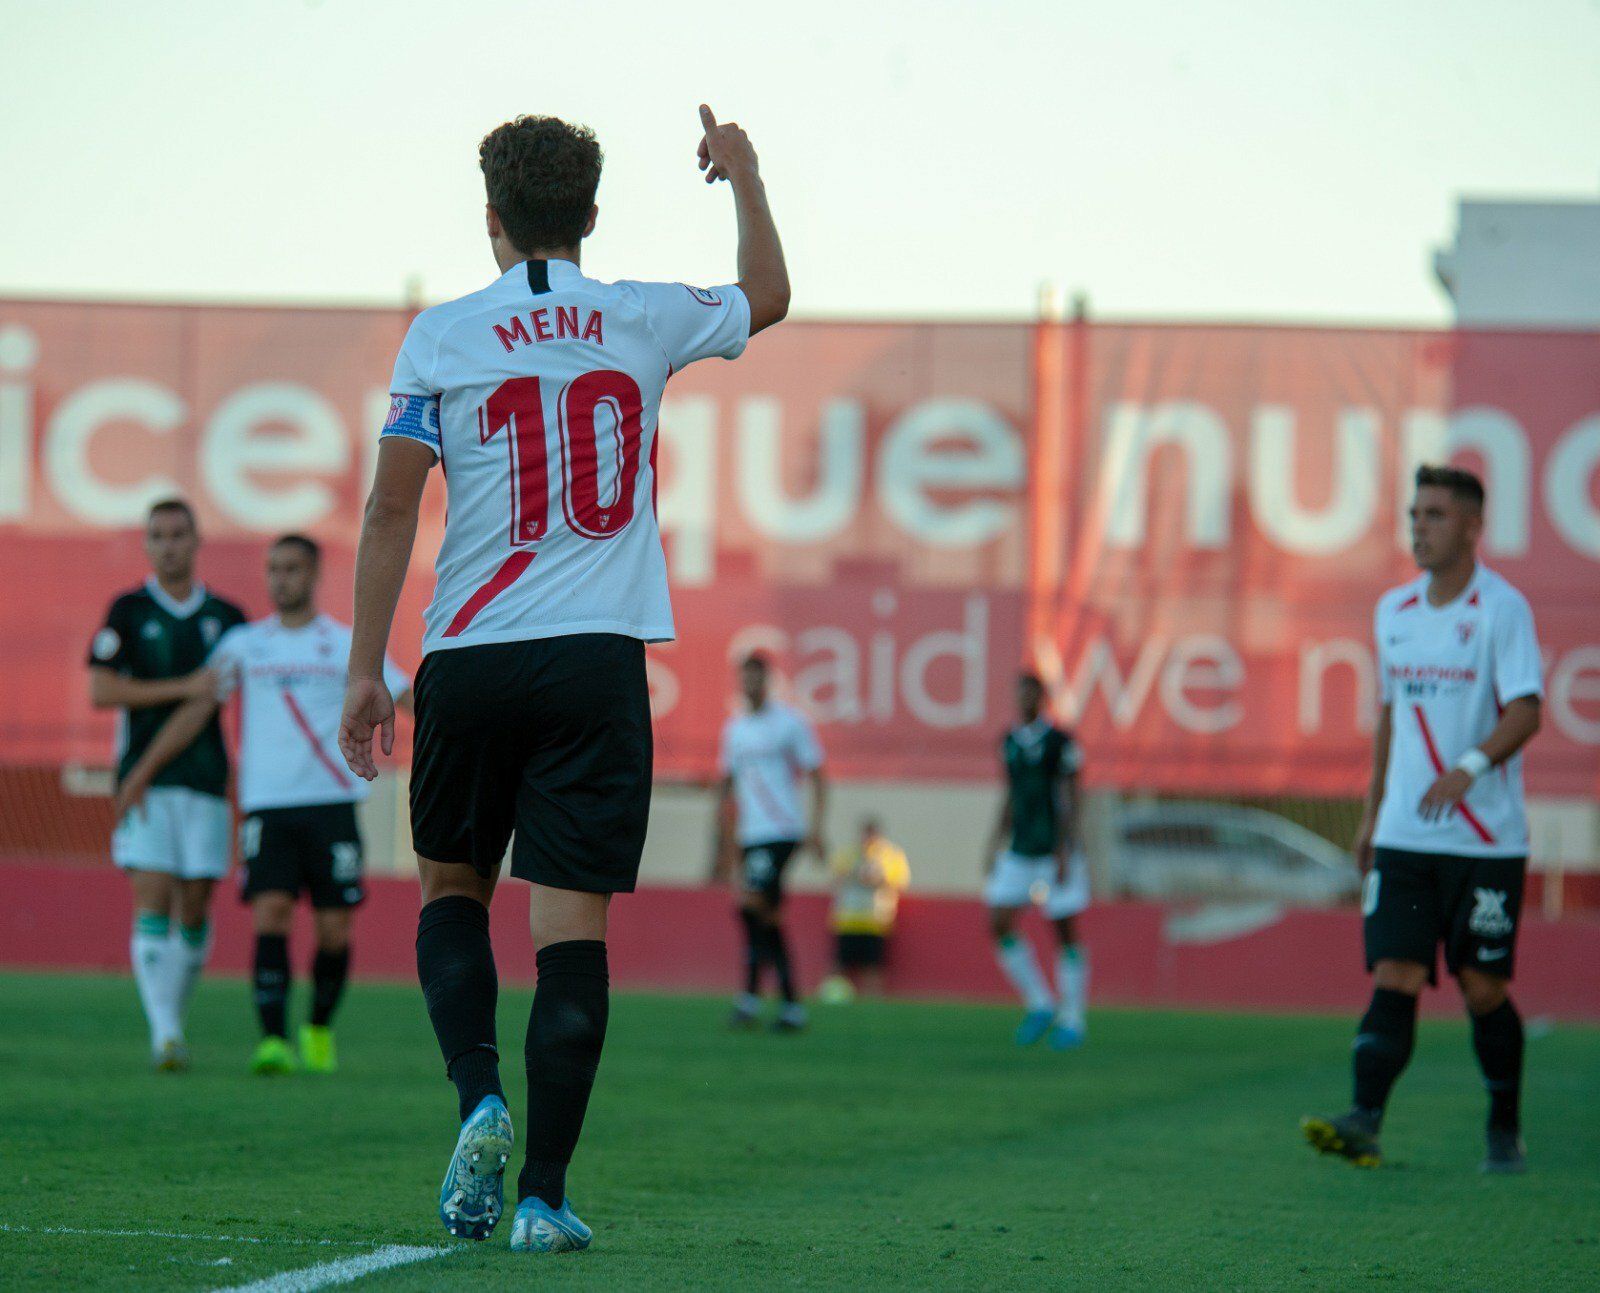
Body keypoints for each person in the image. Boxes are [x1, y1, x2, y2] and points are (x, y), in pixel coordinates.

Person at [337, 107, 788, 1253]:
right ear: (589, 213)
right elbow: (768, 296)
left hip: (469, 658)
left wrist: (365, 670)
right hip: (595, 658)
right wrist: (742, 174)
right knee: (569, 931)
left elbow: (390, 509)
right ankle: (542, 1197)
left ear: (489, 216)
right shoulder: (640, 315)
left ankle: (476, 1097)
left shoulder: (441, 335)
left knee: (451, 892)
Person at [1303, 465, 1543, 1175]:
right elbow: (1389, 715)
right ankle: (1364, 1120)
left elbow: (1527, 709)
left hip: (1485, 840)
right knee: (1396, 972)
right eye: (1415, 514)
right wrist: (1372, 815)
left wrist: (1468, 766)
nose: (1419, 527)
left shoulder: (1502, 609)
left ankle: (1504, 1127)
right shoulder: (1394, 611)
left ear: (1472, 526)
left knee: (1482, 987)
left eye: (1435, 514)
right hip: (1405, 836)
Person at [116, 535, 410, 1076]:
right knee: (270, 914)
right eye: (273, 569)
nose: (281, 579)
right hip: (268, 806)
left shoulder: (345, 644)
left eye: (292, 568)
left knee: (334, 929)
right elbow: (198, 709)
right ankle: (273, 1040)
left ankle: (318, 1028)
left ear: (314, 574)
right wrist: (143, 770)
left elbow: (403, 693)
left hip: (332, 803)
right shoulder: (244, 644)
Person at [88, 498, 247, 1072]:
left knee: (196, 904)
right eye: (158, 535)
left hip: (204, 779)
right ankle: (166, 1034)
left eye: (179, 534)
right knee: (152, 894)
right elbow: (102, 691)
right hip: (145, 783)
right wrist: (184, 686)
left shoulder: (228, 618)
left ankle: (171, 1023)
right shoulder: (128, 610)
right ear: (146, 544)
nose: (169, 545)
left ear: (197, 540)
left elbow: (218, 698)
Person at [714, 653, 828, 1032]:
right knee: (761, 915)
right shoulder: (735, 729)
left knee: (752, 903)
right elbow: (727, 787)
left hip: (781, 831)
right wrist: (725, 844)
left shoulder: (790, 722)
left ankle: (766, 1000)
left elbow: (818, 774)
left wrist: (817, 828)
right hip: (751, 834)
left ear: (768, 681)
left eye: (757, 678)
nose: (751, 684)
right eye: (745, 678)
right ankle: (779, 1004)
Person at [984, 671, 1090, 1050]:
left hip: (1053, 849)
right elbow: (1012, 794)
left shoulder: (1061, 742)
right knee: (998, 920)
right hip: (1020, 849)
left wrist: (1065, 846)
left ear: (1041, 698)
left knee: (1063, 929)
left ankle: (1072, 1019)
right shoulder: (1009, 741)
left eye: (1029, 692)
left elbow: (1072, 794)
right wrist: (993, 841)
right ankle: (1040, 1002)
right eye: (1019, 692)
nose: (1023, 698)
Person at [818, 818, 910, 1003]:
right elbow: (834, 880)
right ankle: (830, 997)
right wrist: (854, 873)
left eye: (873, 834)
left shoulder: (891, 855)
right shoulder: (849, 854)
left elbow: (900, 884)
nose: (869, 838)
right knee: (839, 964)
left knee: (873, 966)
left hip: (876, 920)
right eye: (866, 833)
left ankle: (873, 1003)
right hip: (848, 919)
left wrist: (877, 878)